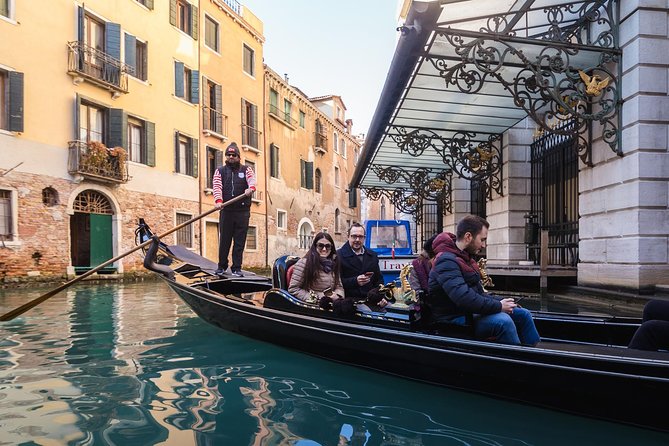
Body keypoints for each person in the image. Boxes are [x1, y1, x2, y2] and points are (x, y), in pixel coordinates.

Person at [427, 215, 540, 346]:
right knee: (503, 321)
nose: (484, 245)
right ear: (468, 237)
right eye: (482, 239)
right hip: (454, 319)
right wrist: (499, 306)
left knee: (523, 314)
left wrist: (504, 302)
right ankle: (514, 363)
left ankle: (532, 356)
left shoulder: (464, 258)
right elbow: (464, 298)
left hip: (470, 313)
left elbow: (478, 293)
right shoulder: (446, 261)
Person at [213, 142, 256, 277]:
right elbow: (217, 186)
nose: (231, 157)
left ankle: (236, 268)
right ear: (226, 157)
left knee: (239, 241)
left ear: (238, 157)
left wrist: (251, 188)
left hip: (242, 212)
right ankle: (222, 266)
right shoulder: (220, 171)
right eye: (229, 155)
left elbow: (252, 181)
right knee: (224, 240)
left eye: (234, 155)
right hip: (227, 211)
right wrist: (219, 201)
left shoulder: (246, 169)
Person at [337, 223, 387, 307]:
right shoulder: (339, 255)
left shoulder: (372, 255)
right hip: (349, 304)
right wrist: (355, 281)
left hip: (371, 302)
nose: (357, 239)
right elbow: (336, 283)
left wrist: (380, 296)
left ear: (364, 238)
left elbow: (379, 280)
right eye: (354, 236)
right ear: (348, 236)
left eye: (360, 237)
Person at [288, 232, 345, 305]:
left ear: (331, 248)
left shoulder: (334, 263)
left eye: (327, 246)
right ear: (315, 246)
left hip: (331, 304)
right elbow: (293, 289)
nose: (324, 249)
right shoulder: (304, 263)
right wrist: (317, 298)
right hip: (312, 306)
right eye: (321, 246)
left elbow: (339, 287)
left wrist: (337, 296)